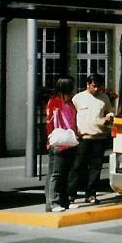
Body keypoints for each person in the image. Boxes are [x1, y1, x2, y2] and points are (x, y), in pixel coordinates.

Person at [69, 73, 114, 204]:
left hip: (99, 137)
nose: (96, 89)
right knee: (77, 166)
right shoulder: (78, 98)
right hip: (83, 137)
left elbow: (110, 111)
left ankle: (91, 194)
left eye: (99, 86)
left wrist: (109, 117)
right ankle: (71, 194)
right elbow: (71, 114)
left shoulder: (104, 98)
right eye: (94, 86)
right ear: (87, 84)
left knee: (95, 168)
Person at [45, 76, 79, 212]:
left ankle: (64, 201)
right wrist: (51, 138)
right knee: (56, 174)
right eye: (71, 88)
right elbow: (50, 122)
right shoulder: (55, 102)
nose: (72, 92)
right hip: (58, 142)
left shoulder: (69, 103)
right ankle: (53, 202)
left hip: (69, 142)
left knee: (64, 173)